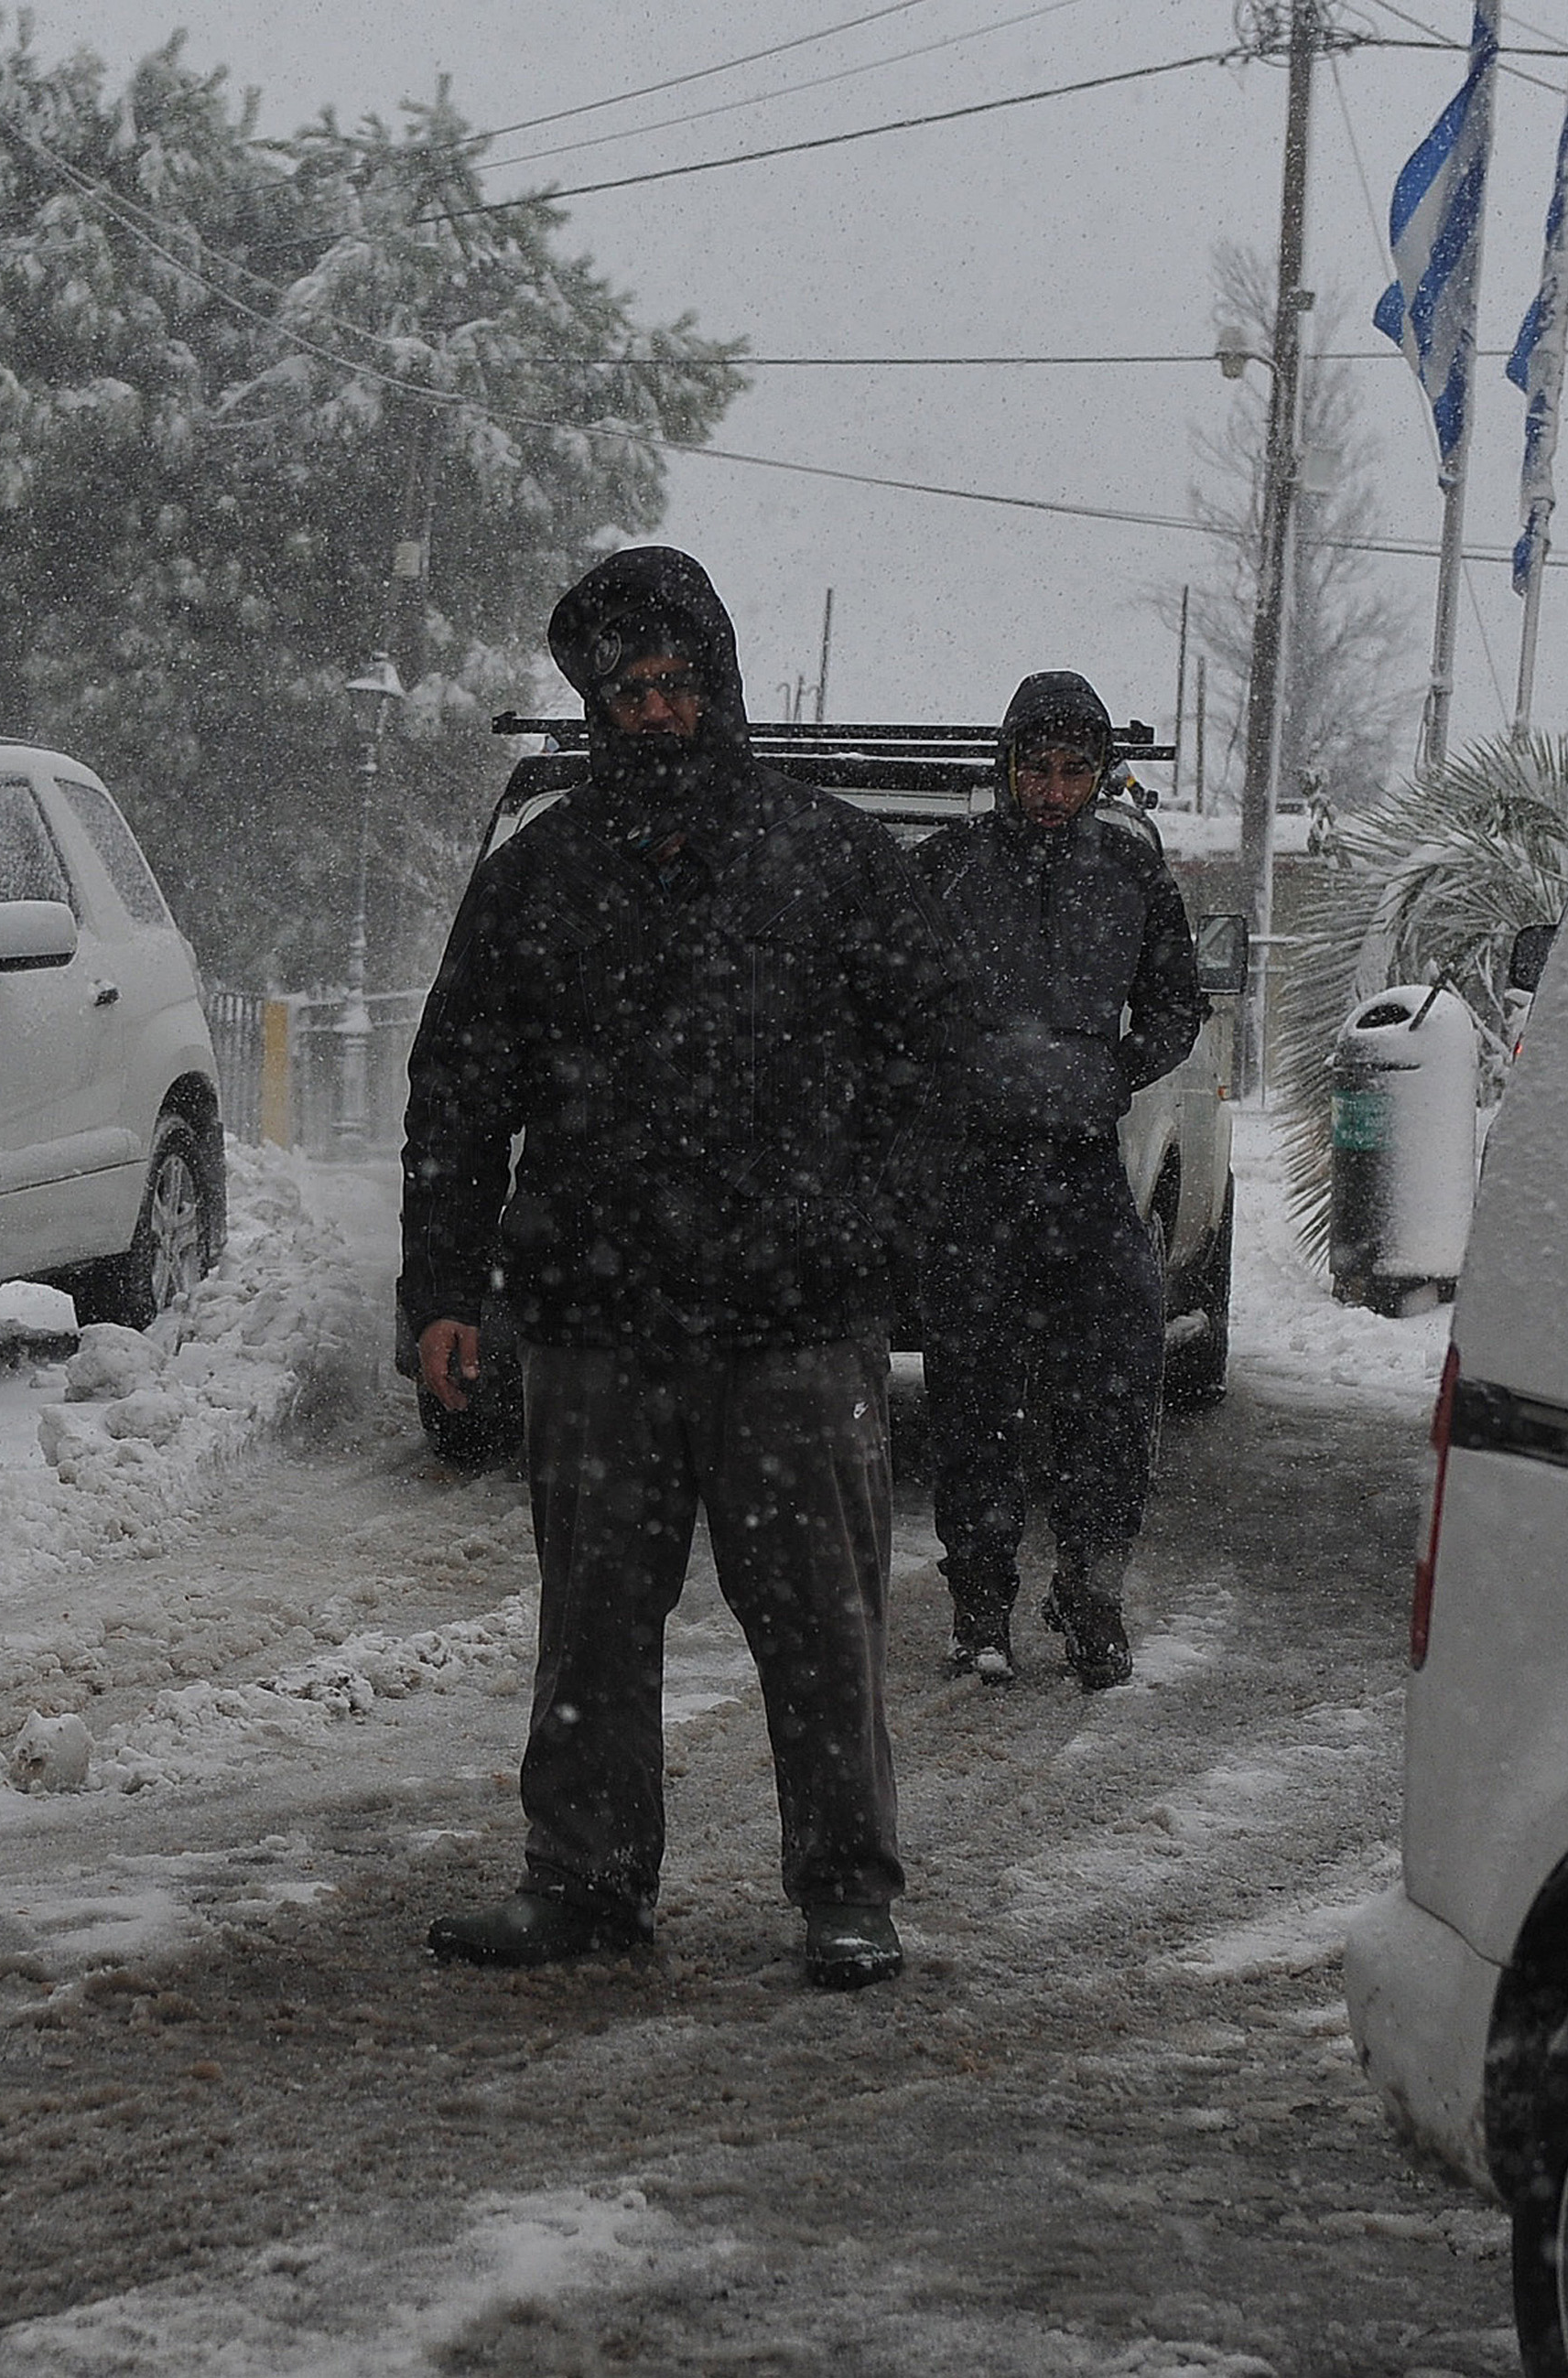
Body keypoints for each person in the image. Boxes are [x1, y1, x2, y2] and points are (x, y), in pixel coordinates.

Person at [402, 546, 959, 1992]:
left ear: (719, 688)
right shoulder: (538, 880)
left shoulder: (833, 861)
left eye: (675, 683)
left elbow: (930, 1068)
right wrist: (443, 1291)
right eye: (625, 690)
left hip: (791, 1327)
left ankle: (845, 1890)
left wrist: (868, 1234)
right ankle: (583, 1880)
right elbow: (458, 1089)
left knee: (822, 1625)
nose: (653, 711)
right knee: (589, 1630)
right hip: (593, 1327)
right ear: (594, 708)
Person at [910, 672, 1206, 1691]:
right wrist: (946, 1075)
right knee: (974, 1397)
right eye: (1033, 768)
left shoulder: (1130, 878)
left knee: (1113, 1391)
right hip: (972, 1180)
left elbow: (1176, 1004)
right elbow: (882, 992)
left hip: (1081, 1176)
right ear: (1004, 769)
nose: (1050, 788)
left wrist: (1108, 1072)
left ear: (1100, 778)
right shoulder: (944, 869)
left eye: (1074, 770)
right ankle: (979, 1607)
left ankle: (1090, 1593)